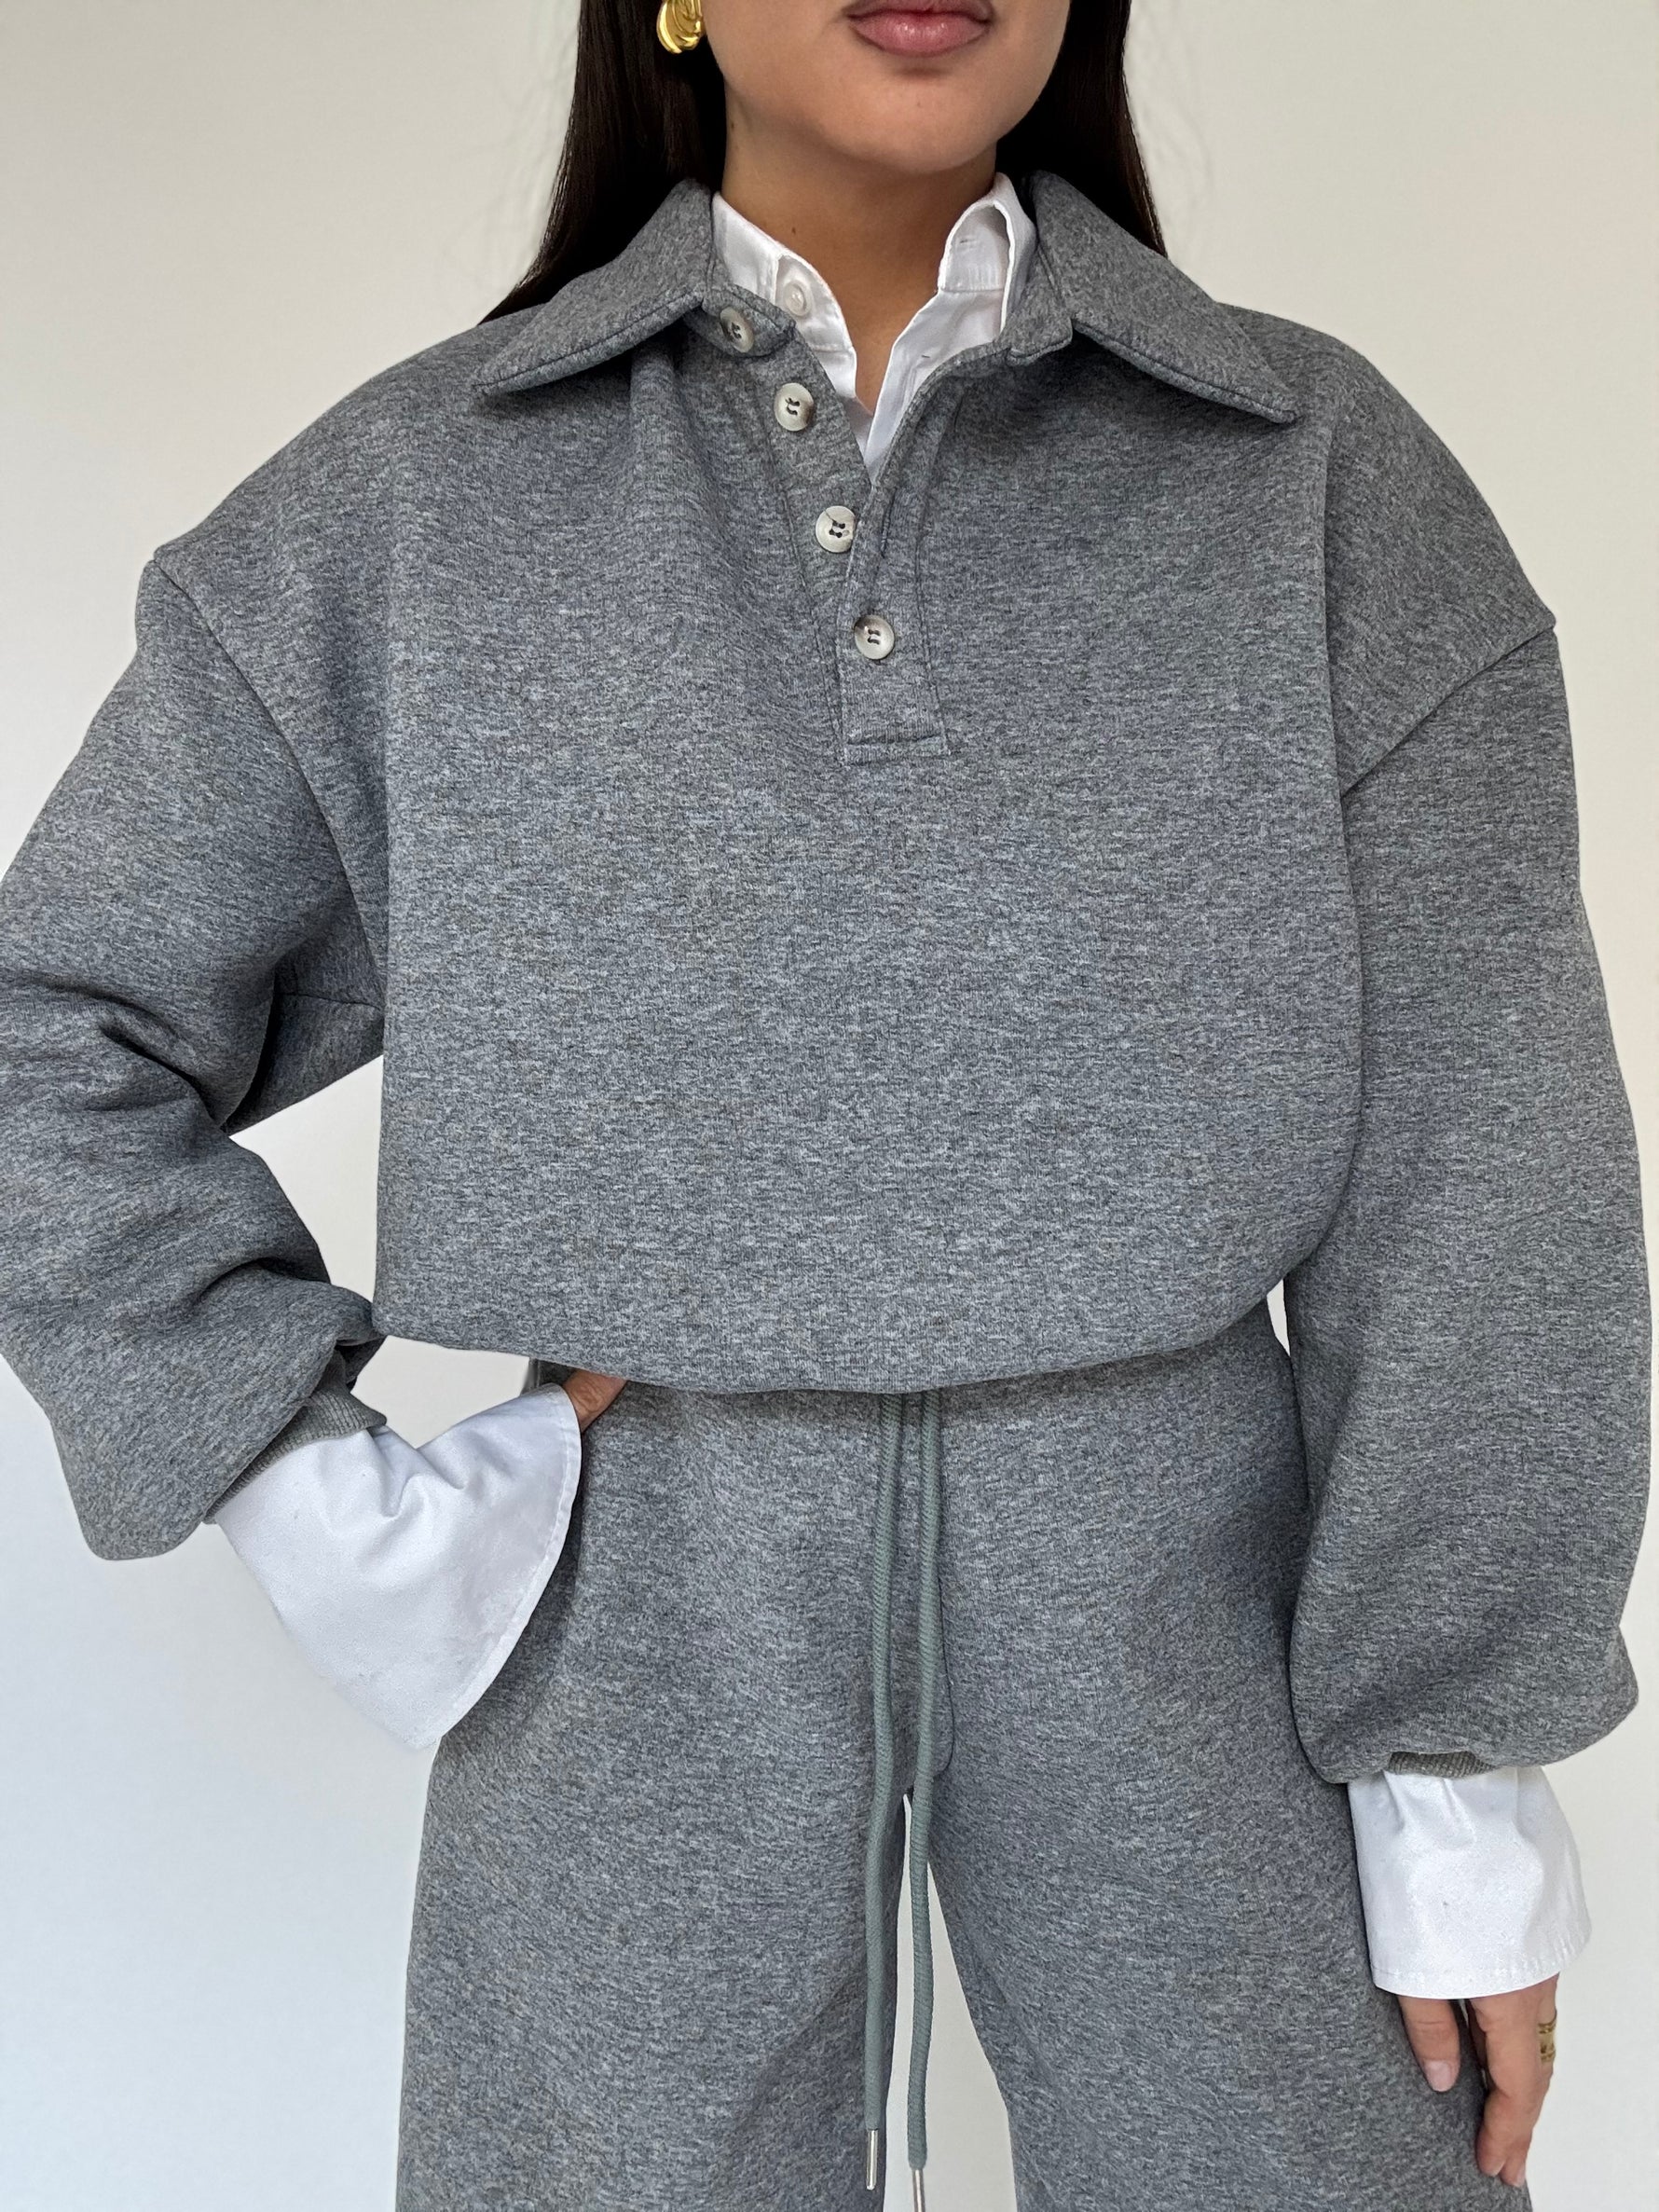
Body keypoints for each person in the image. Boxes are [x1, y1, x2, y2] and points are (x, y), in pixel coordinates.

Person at [0, 1, 1648, 2206]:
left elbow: (1484, 1153)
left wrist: (1452, 1764)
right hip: (637, 1591)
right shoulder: (417, 506)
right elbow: (49, 1023)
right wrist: (296, 1479)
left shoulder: (1310, 478)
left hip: (1208, 1601)